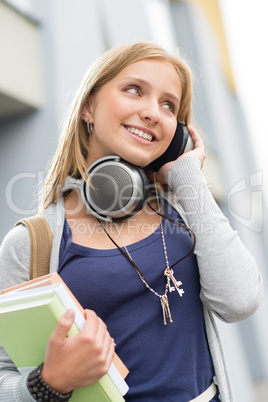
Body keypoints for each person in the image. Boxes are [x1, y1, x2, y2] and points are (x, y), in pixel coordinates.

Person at [0, 41, 263, 402]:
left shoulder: (185, 214)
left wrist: (187, 176)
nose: (153, 112)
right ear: (89, 106)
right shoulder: (33, 243)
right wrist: (50, 382)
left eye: (168, 105)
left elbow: (240, 303)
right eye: (134, 90)